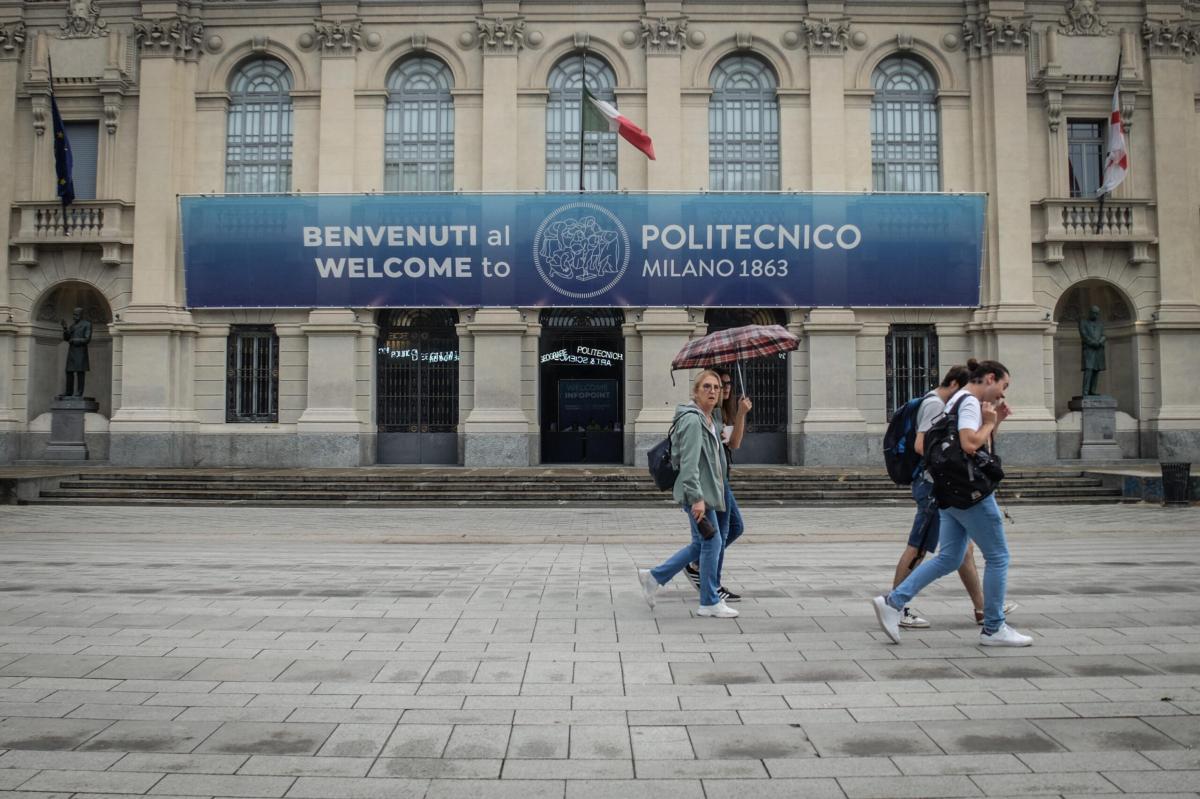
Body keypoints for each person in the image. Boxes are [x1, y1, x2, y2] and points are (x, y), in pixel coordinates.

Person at [873, 358, 1032, 647]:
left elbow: (965, 444)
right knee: (998, 557)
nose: (1002, 395)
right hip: (968, 493)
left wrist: (995, 422)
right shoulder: (970, 402)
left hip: (948, 490)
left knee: (949, 557)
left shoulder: (956, 400)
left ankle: (893, 601)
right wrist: (990, 422)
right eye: (1003, 387)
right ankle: (994, 627)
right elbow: (971, 444)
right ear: (991, 378)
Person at [639, 369, 738, 618]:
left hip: (709, 491)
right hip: (698, 492)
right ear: (695, 392)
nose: (713, 391)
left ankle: (654, 577)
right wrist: (697, 499)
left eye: (716, 387)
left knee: (703, 543)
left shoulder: (708, 418)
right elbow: (690, 463)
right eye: (707, 386)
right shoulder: (693, 420)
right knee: (711, 542)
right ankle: (708, 601)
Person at [684, 367, 751, 602]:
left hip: (722, 480)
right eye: (714, 385)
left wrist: (741, 414)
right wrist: (696, 496)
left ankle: (697, 570)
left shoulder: (721, 413)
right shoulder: (702, 416)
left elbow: (735, 443)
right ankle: (711, 585)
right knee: (716, 537)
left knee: (733, 529)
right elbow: (690, 460)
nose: (723, 388)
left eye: (725, 384)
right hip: (711, 482)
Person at [60, 306, 91, 398]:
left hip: (81, 352)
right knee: (69, 371)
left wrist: (74, 341)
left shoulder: (87, 324)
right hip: (72, 352)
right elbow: (66, 338)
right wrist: (65, 328)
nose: (74, 316)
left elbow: (87, 339)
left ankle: (79, 392)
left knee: (80, 372)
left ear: (81, 315)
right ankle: (69, 392)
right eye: (73, 314)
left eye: (76, 314)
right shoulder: (72, 326)